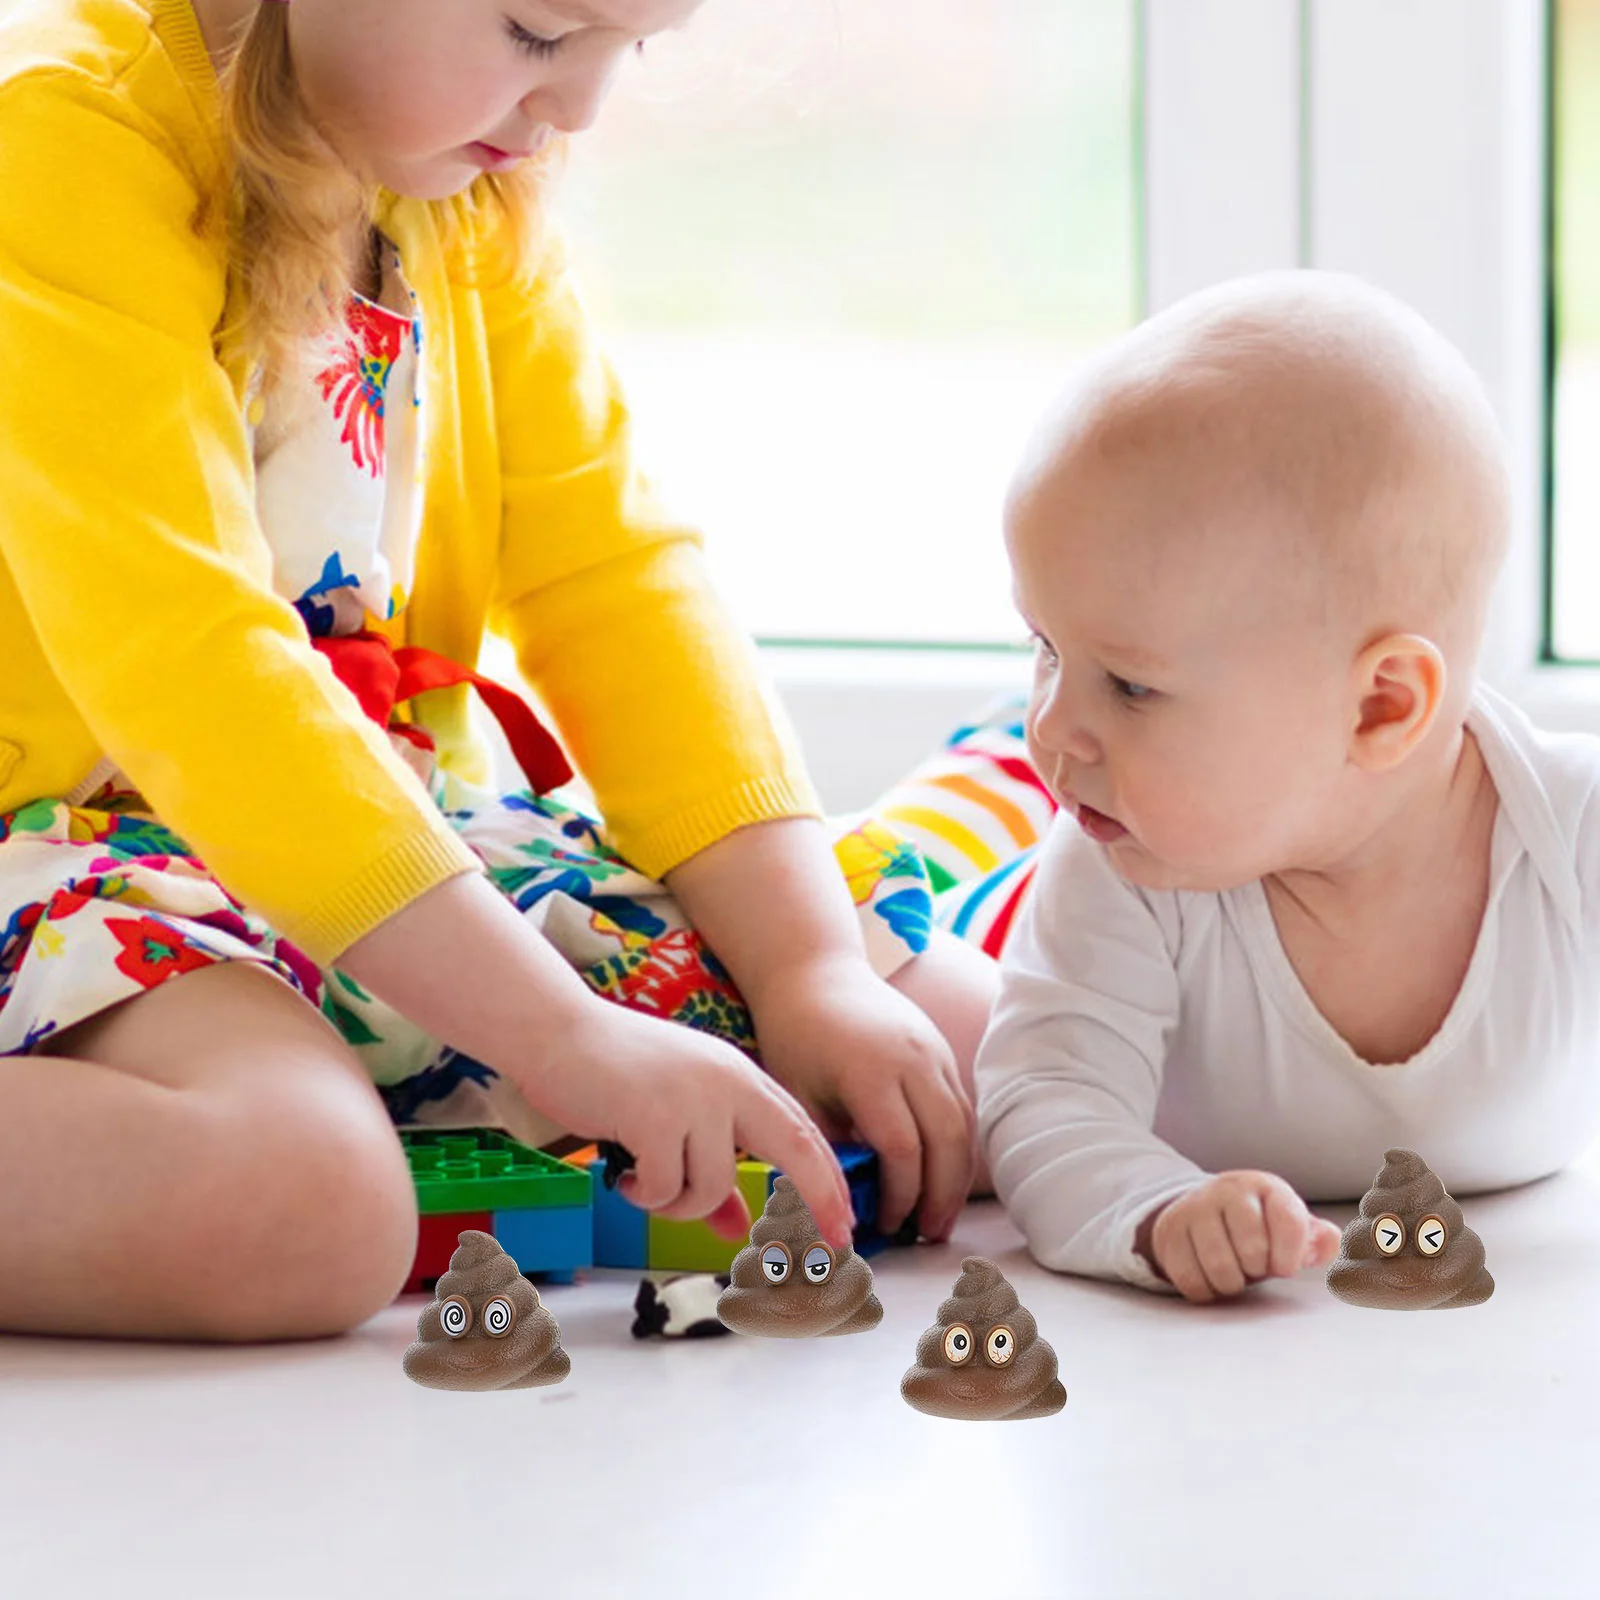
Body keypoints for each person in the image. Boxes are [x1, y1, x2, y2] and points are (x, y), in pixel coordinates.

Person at [0, 0, 998, 1342]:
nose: (579, 110)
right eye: (538, 33)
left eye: (626, 47)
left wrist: (809, 967)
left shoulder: (467, 185)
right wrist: (564, 1041)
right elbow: (191, 663)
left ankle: (429, 1105)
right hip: (72, 860)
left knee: (957, 1030)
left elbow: (615, 575)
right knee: (300, 1202)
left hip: (385, 848)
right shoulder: (63, 143)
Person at [977, 269, 1600, 1303]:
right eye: (1043, 647)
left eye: (1129, 685)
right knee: (933, 1028)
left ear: (1379, 709)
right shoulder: (1123, 855)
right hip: (986, 917)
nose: (1056, 725)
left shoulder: (1568, 833)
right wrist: (1155, 1205)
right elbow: (1042, 1097)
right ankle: (964, 795)